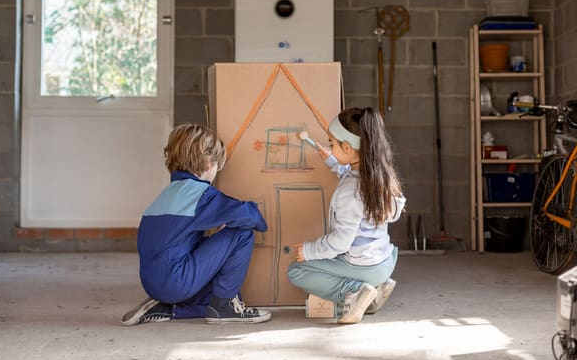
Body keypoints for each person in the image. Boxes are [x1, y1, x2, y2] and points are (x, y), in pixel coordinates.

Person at [121, 123, 271, 325]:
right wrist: (257, 219)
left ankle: (168, 308)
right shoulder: (200, 196)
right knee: (241, 234)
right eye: (218, 165)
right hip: (177, 282)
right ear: (209, 162)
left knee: (211, 278)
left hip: (154, 283)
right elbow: (251, 217)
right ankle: (224, 307)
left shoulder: (166, 195)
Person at [288, 107, 405, 324]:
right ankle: (376, 291)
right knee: (340, 260)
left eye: (332, 144)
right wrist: (335, 161)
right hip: (385, 262)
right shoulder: (379, 177)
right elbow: (354, 180)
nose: (329, 148)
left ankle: (354, 292)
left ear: (347, 147)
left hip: (364, 266)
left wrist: (309, 250)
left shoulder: (349, 193)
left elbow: (340, 243)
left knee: (297, 271)